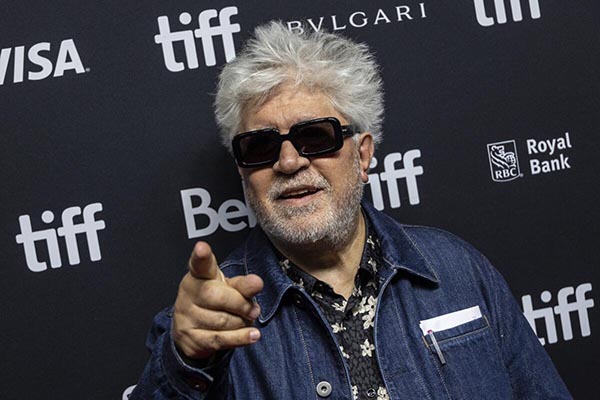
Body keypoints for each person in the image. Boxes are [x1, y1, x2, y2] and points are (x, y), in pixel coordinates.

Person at [132, 21, 571, 399]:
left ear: (362, 155)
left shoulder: (459, 271)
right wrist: (186, 359)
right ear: (243, 171)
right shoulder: (209, 327)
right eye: (260, 146)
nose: (289, 162)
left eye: (315, 137)